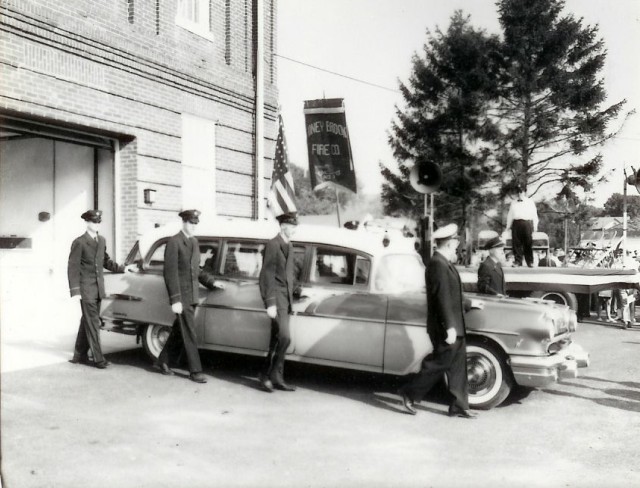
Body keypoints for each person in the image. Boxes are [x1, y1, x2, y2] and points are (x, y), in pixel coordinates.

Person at [397, 223, 480, 418]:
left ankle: (459, 406)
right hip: (446, 327)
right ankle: (409, 392)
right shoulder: (437, 264)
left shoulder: (444, 263)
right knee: (438, 363)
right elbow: (441, 297)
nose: (457, 248)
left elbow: (452, 294)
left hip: (454, 325)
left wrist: (469, 303)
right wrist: (450, 327)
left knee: (458, 366)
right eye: (456, 244)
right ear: (450, 244)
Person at [155, 209, 208, 383]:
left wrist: (211, 282)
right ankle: (195, 370)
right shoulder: (174, 242)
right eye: (191, 223)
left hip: (192, 295)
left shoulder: (194, 242)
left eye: (196, 224)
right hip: (182, 297)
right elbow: (170, 273)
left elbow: (196, 269)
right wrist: (175, 299)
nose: (194, 227)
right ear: (183, 222)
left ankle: (162, 361)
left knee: (180, 330)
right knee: (190, 332)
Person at [68, 209, 124, 368]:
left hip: (98, 288)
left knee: (87, 320)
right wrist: (75, 291)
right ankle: (99, 359)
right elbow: (73, 267)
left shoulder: (102, 240)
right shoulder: (79, 242)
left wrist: (123, 269)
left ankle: (79, 354)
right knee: (93, 322)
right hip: (86, 289)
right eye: (93, 221)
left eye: (98, 221)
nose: (96, 224)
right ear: (87, 222)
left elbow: (106, 262)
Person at [258, 212, 299, 392]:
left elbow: (290, 273)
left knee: (277, 340)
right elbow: (266, 276)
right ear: (283, 227)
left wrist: (296, 289)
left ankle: (275, 377)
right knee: (284, 337)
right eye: (292, 227)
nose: (295, 230)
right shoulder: (273, 245)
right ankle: (266, 374)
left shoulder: (288, 245)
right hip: (277, 297)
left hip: (286, 298)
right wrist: (270, 303)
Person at [506, 185, 538, 267]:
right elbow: (510, 215)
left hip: (527, 223)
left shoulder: (530, 202)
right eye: (518, 191)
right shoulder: (513, 202)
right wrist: (508, 226)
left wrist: (535, 226)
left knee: (528, 243)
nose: (520, 193)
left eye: (521, 191)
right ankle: (517, 261)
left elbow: (534, 215)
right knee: (516, 243)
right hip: (516, 223)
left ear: (524, 192)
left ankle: (530, 262)